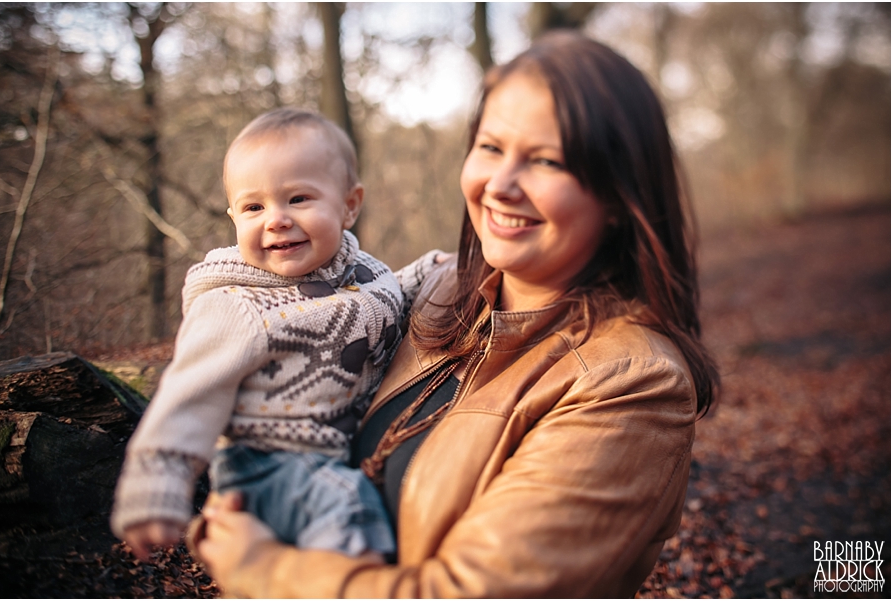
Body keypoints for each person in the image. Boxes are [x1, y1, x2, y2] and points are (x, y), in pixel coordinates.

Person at [191, 31, 719, 598]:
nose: (500, 185)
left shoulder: (631, 385)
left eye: (545, 160)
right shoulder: (439, 290)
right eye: (491, 148)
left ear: (618, 197)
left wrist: (260, 569)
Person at [111, 108, 439, 562]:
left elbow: (386, 298)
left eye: (298, 199)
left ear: (349, 204)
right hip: (268, 466)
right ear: (233, 217)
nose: (276, 219)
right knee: (348, 513)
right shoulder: (236, 305)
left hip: (336, 455)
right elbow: (190, 393)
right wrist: (157, 484)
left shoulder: (361, 271)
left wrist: (429, 273)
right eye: (253, 207)